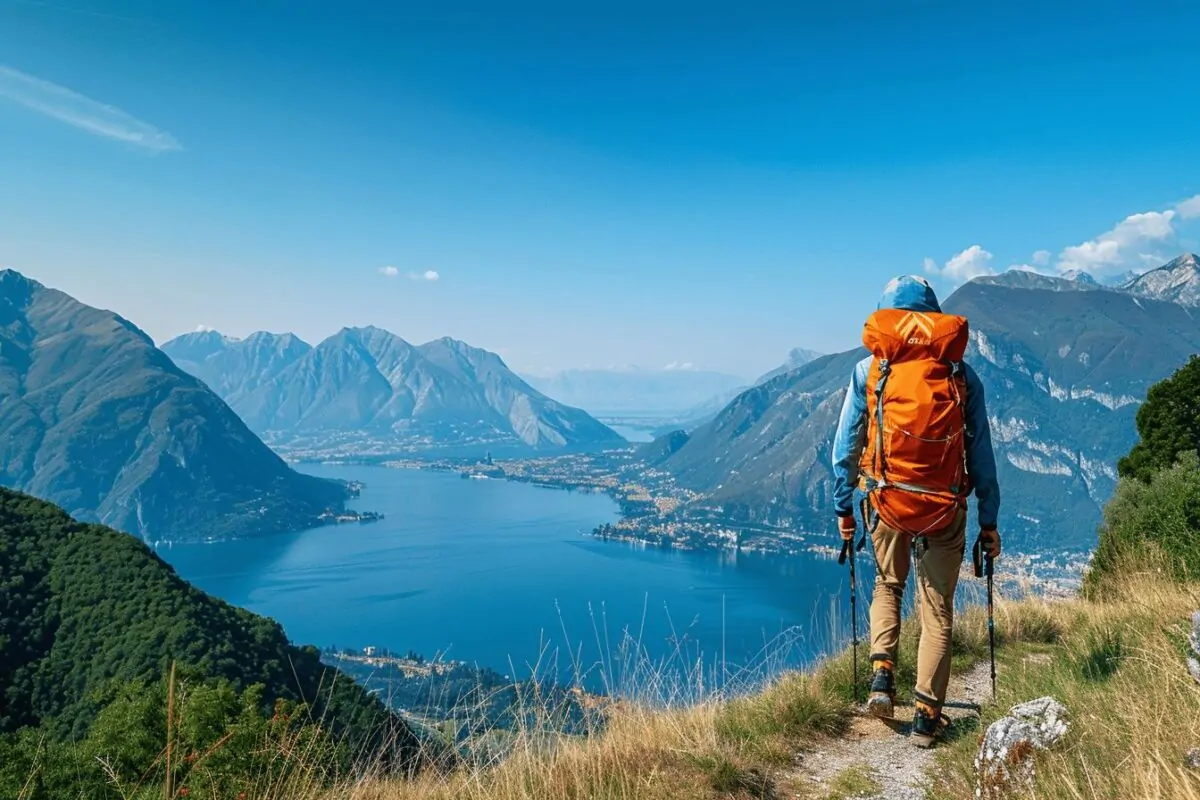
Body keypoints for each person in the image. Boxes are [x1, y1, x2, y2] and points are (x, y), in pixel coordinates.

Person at [831, 275, 1001, 747]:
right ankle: (926, 717)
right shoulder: (960, 375)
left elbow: (845, 448)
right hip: (944, 506)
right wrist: (989, 520)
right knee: (937, 608)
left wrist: (844, 507)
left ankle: (882, 677)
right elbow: (982, 455)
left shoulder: (870, 370)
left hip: (886, 499)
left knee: (888, 584)